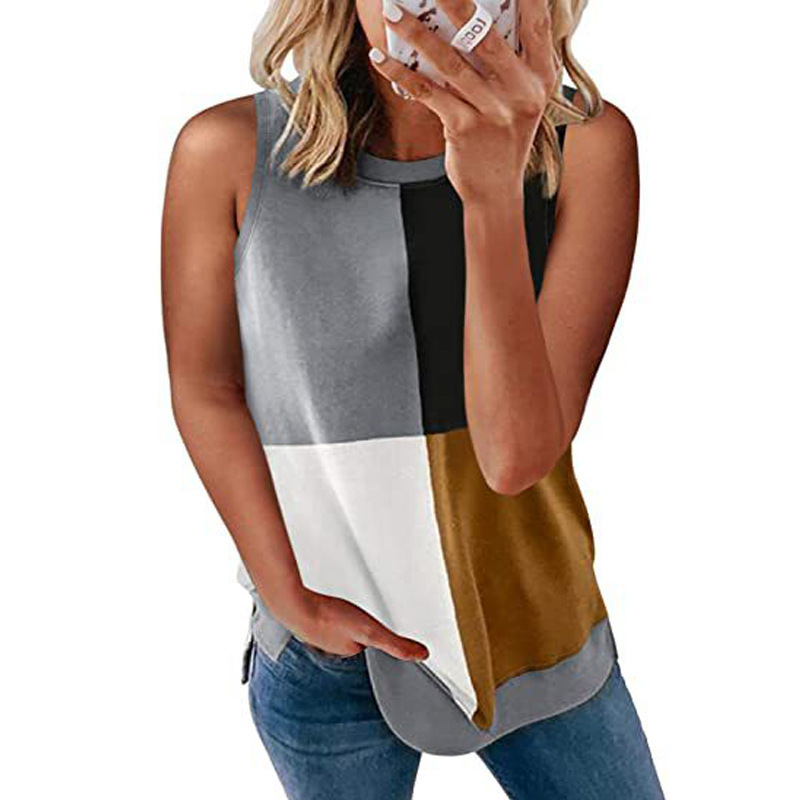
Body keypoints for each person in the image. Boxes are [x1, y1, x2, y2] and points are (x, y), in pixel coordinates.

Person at [161, 0, 665, 797]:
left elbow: (513, 459)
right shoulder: (226, 151)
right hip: (331, 648)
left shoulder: (590, 148)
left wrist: (491, 193)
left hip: (533, 623)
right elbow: (205, 386)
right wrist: (289, 598)